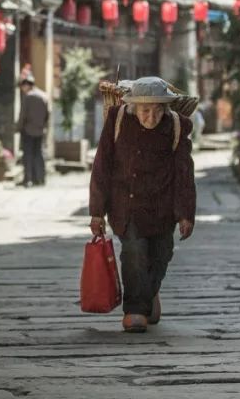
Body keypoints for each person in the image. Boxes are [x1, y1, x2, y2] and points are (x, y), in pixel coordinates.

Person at [88, 76, 196, 333]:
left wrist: (185, 214)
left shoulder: (177, 126)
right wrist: (97, 212)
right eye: (144, 110)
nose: (149, 117)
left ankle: (149, 293)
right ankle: (135, 310)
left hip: (162, 207)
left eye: (155, 110)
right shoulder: (118, 119)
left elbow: (184, 172)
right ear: (134, 107)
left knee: (161, 254)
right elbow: (101, 165)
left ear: (165, 108)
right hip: (127, 205)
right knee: (134, 252)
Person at [16, 74, 49, 187]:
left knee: (28, 155)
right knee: (39, 154)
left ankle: (28, 179)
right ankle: (40, 178)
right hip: (40, 130)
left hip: (28, 130)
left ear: (26, 85)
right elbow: (47, 115)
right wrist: (43, 126)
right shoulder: (44, 96)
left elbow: (23, 114)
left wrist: (18, 127)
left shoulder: (28, 97)